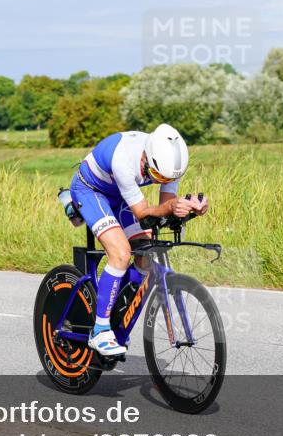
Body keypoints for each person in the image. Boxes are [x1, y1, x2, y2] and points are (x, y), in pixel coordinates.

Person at [70, 124, 208, 356]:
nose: (160, 181)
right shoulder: (124, 159)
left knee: (146, 256)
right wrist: (171, 207)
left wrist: (189, 209)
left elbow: (166, 205)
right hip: (91, 191)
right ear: (146, 158)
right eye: (156, 176)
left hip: (121, 195)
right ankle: (100, 330)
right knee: (121, 253)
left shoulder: (170, 164)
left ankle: (117, 317)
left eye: (164, 179)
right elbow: (144, 212)